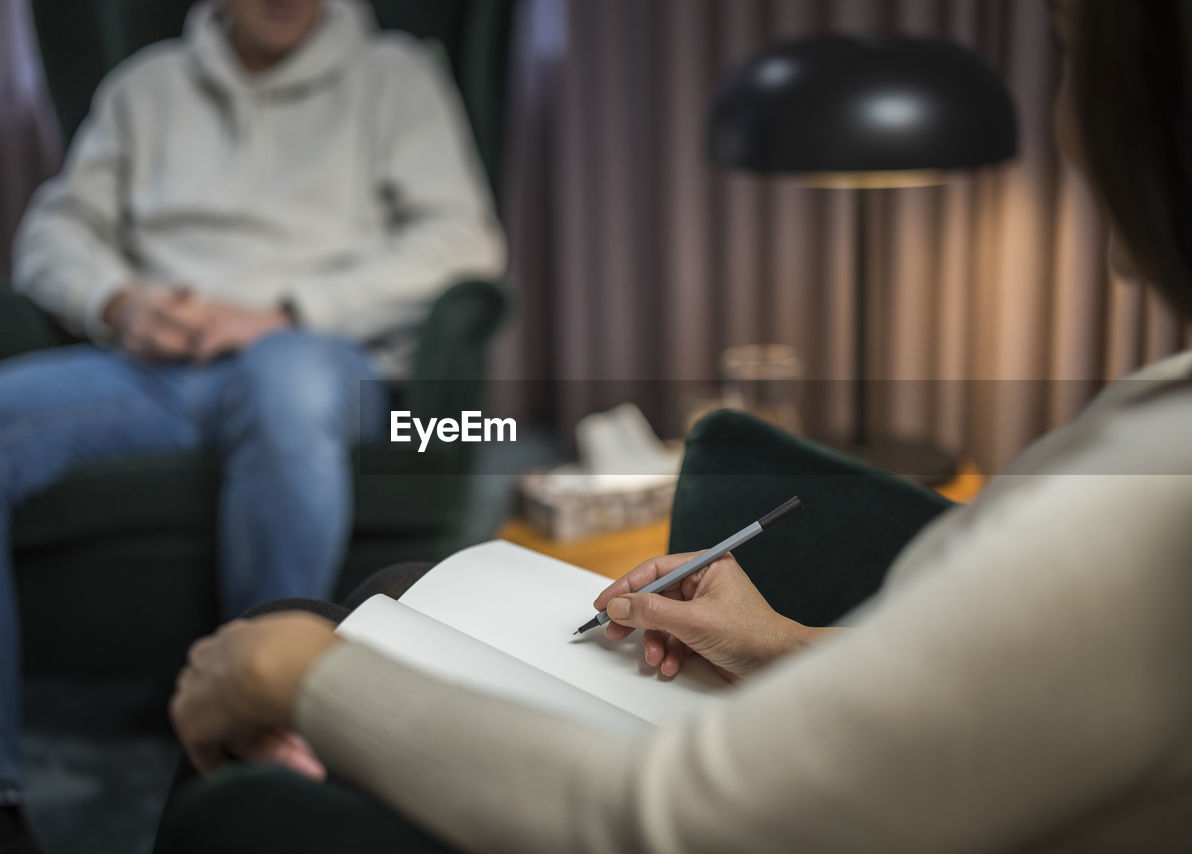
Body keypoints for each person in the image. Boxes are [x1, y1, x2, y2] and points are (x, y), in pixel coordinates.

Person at [165, 0, 1192, 851]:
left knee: (305, 639)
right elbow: (1019, 703)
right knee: (388, 589)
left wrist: (294, 674)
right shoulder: (151, 91)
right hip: (150, 347)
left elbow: (660, 818)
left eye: (1062, 61)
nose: (1060, 122)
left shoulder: (1145, 496)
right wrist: (788, 644)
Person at [0, 0, 504, 849]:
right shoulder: (146, 87)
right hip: (151, 365)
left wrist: (283, 311)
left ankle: (255, 744)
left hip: (310, 349)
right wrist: (117, 300)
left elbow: (461, 241)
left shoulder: (395, 76)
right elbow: (56, 230)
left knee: (285, 385)